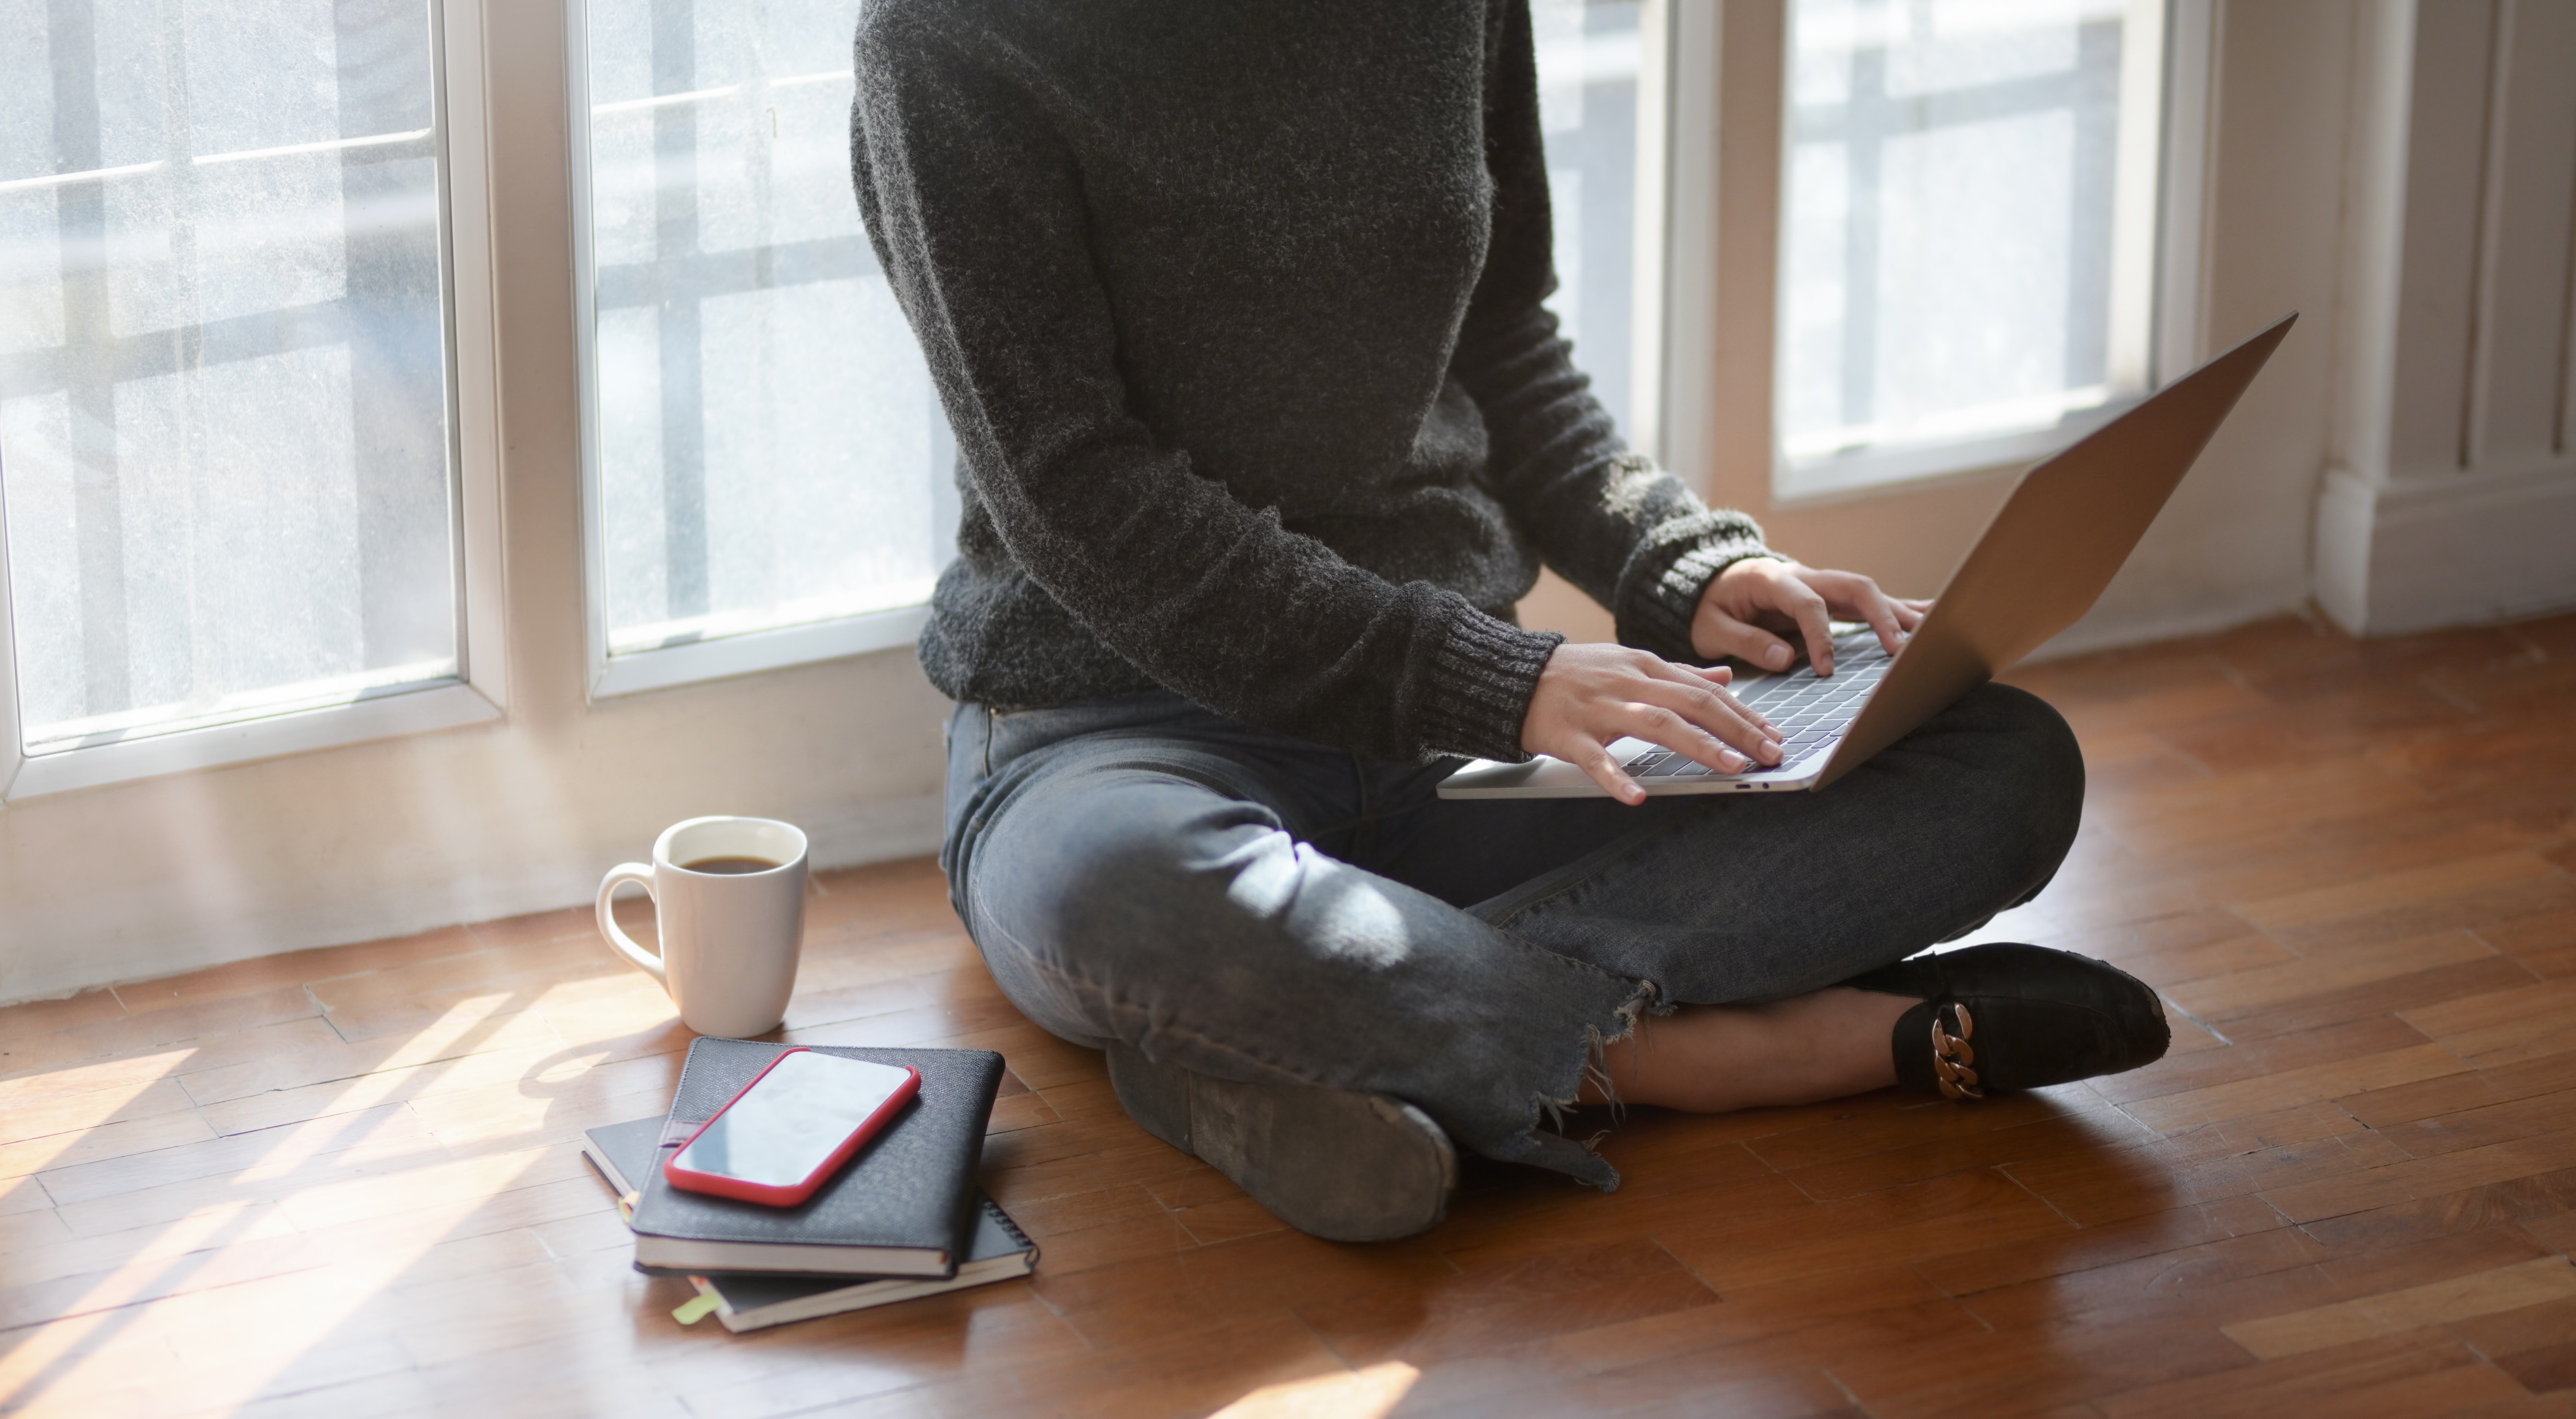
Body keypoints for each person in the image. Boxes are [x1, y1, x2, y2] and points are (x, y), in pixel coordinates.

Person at [850, 0, 2169, 1241]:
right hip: (1114, 737)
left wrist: (1684, 561)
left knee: (1999, 761)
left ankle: (1319, 1035)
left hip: (1455, 753)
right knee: (1121, 894)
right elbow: (1074, 491)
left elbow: (1503, 346)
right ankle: (1717, 1056)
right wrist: (1490, 675)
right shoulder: (947, 40)